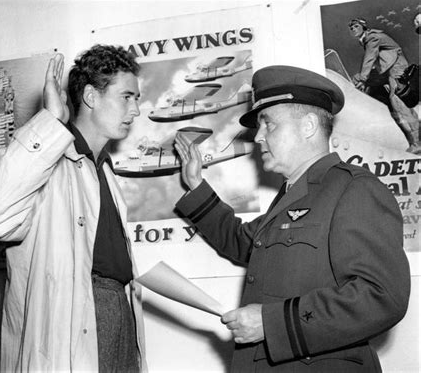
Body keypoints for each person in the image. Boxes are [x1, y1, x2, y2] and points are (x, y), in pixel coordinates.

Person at [174, 65, 410, 372]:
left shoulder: (355, 189)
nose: (258, 137)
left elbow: (381, 296)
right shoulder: (292, 195)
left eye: (268, 125)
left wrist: (272, 323)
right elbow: (242, 242)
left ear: (309, 125)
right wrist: (197, 186)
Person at [0, 45, 146, 372]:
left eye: (137, 99)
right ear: (91, 96)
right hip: (76, 324)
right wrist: (50, 122)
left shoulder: (105, 170)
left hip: (119, 314)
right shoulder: (47, 161)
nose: (136, 110)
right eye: (126, 97)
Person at [348, 18, 420, 153]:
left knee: (399, 103)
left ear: (363, 27)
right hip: (387, 69)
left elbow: (370, 57)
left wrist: (363, 78)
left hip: (396, 68)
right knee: (368, 87)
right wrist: (363, 80)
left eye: (356, 26)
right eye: (351, 28)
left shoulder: (372, 37)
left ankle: (418, 142)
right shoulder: (366, 39)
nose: (353, 29)